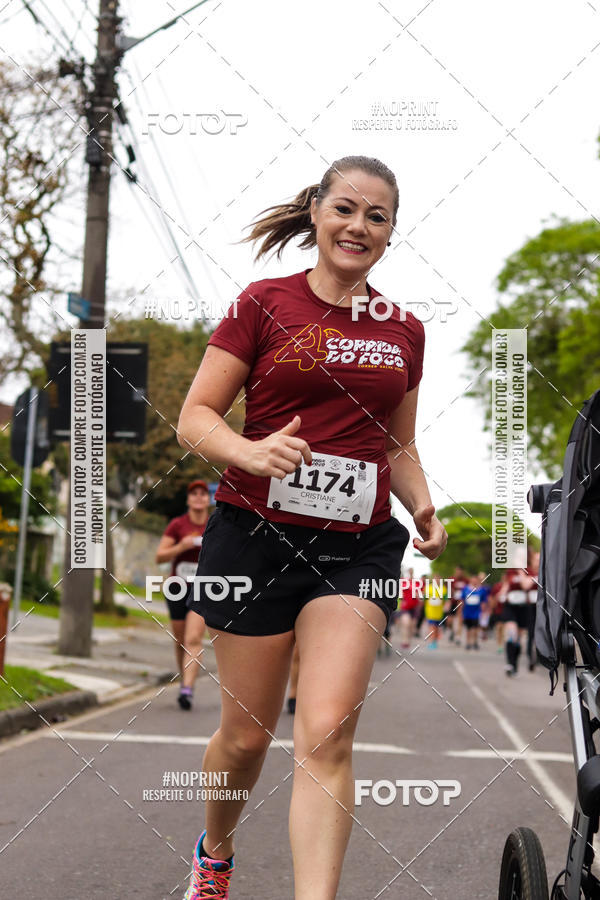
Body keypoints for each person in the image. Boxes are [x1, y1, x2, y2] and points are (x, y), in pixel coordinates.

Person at [176, 155, 447, 899]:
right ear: (318, 214)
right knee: (245, 737)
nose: (359, 226)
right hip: (254, 534)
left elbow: (397, 445)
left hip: (356, 548)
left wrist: (420, 504)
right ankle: (216, 850)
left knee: (326, 731)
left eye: (378, 217)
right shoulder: (263, 304)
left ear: (391, 235)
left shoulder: (405, 331)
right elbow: (195, 417)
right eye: (347, 209)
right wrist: (250, 451)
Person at [155, 480, 210, 709]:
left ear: (209, 499)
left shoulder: (215, 525)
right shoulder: (178, 525)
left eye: (203, 494)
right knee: (180, 642)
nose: (198, 497)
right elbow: (160, 556)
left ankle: (187, 689)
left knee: (193, 639)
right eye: (193, 494)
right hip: (177, 587)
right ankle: (184, 681)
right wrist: (182, 546)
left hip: (204, 588)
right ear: (188, 499)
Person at [500, 567, 533, 676]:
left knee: (518, 639)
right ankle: (509, 663)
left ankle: (515, 664)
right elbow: (506, 585)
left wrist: (521, 572)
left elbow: (526, 586)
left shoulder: (530, 571)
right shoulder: (510, 571)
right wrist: (502, 594)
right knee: (511, 634)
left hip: (523, 608)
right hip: (510, 607)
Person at [461, 574, 487, 650]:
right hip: (467, 612)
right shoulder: (465, 589)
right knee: (468, 628)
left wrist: (483, 612)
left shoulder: (481, 590)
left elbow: (483, 602)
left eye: (476, 580)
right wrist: (461, 612)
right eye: (473, 579)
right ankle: (468, 643)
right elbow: (462, 600)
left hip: (476, 612)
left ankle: (475, 642)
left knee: (475, 628)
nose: (474, 581)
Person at [446, 566, 467, 645]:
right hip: (452, 602)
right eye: (457, 571)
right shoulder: (451, 579)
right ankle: (452, 631)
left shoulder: (465, 580)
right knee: (449, 621)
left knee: (459, 619)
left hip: (461, 602)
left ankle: (458, 637)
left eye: (460, 571)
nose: (459, 573)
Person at [423, 573, 445, 648]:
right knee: (432, 626)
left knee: (437, 627)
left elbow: (446, 599)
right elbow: (424, 597)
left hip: (439, 611)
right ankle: (432, 642)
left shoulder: (444, 588)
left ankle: (435, 640)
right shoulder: (428, 587)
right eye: (435, 579)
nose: (437, 580)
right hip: (430, 610)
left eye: (438, 579)